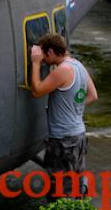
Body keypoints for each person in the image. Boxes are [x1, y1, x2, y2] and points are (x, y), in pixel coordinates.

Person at [30, 33, 98, 198]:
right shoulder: (78, 66)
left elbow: (37, 90)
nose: (44, 60)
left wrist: (36, 63)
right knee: (77, 182)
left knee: (60, 190)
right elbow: (93, 95)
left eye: (44, 56)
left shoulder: (62, 71)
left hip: (62, 140)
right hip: (79, 135)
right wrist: (72, 107)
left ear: (51, 52)